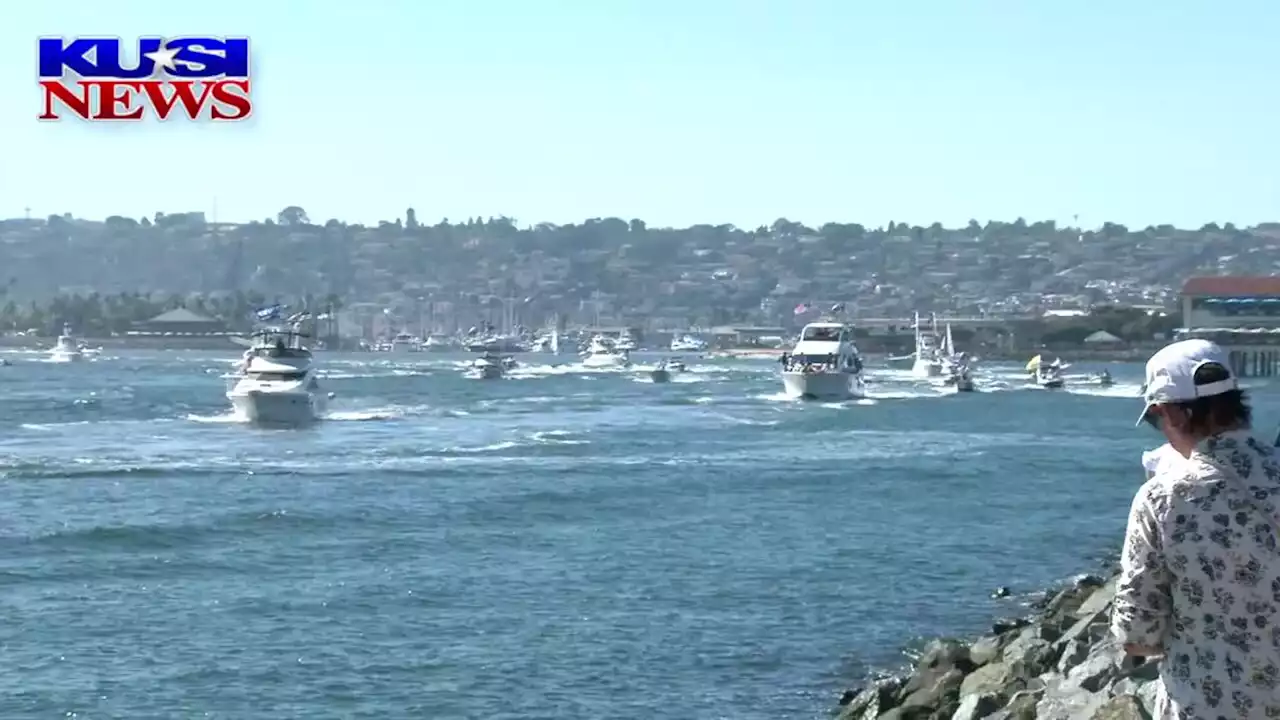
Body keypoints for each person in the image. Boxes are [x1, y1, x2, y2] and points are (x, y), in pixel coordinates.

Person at [1111, 338, 1280, 719]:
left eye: (1156, 418)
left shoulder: (1162, 499)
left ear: (1178, 415)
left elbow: (1138, 634)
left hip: (1206, 703)